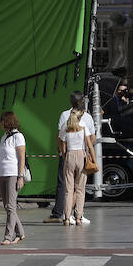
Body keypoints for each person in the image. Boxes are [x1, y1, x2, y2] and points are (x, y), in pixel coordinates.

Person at [48, 91, 94, 224]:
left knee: (67, 187)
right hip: (82, 154)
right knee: (80, 189)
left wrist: (63, 153)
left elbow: (60, 139)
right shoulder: (87, 120)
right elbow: (92, 139)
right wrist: (91, 156)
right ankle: (79, 216)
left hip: (68, 154)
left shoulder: (65, 118)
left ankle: (66, 216)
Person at [0, 110, 27, 245]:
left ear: (7, 121)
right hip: (1, 174)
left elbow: (21, 158)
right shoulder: (4, 137)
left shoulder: (18, 137)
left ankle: (8, 236)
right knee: (7, 206)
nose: (1, 124)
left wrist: (20, 177)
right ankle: (20, 233)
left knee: (11, 206)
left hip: (13, 174)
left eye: (2, 121)